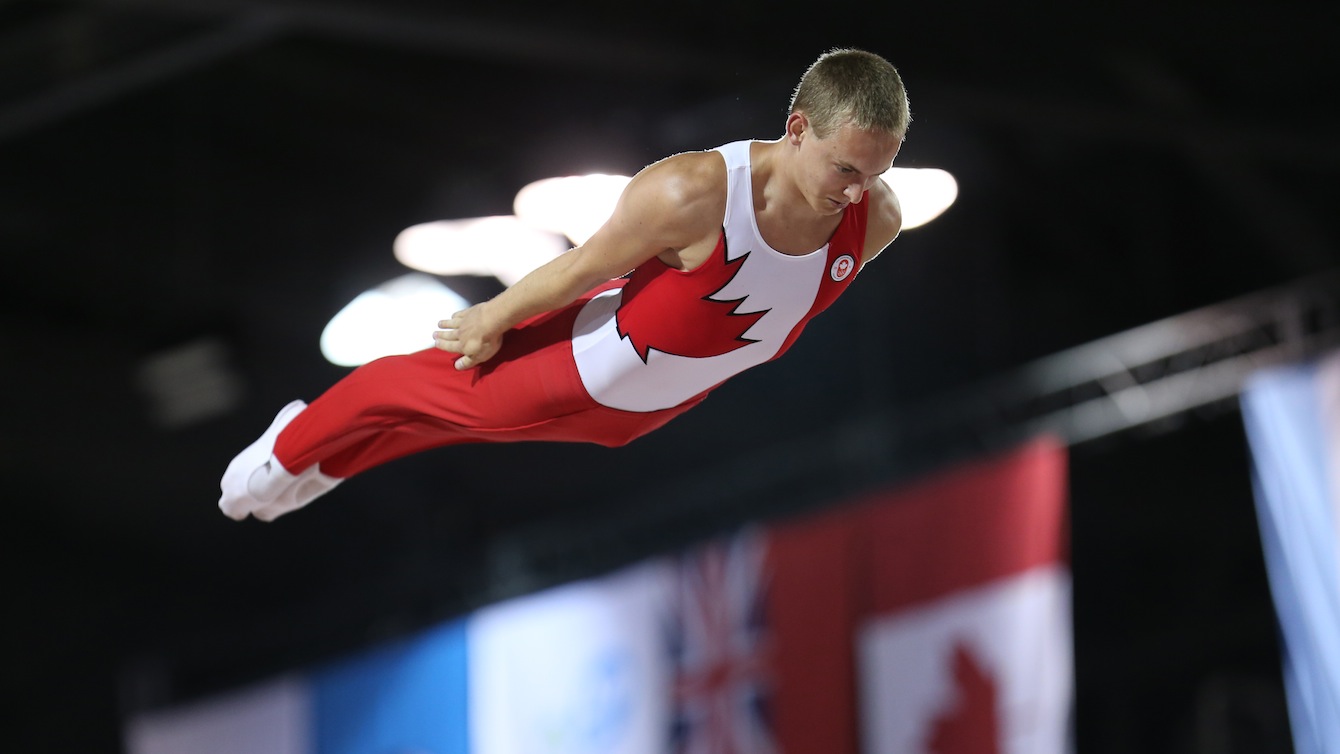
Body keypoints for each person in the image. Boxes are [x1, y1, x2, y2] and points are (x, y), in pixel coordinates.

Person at [219, 47, 910, 522]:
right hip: (583, 364)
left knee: (454, 427)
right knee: (412, 389)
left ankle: (330, 463)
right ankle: (290, 443)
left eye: (875, 172)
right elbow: (586, 266)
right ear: (796, 129)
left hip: (648, 409)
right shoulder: (693, 192)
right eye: (845, 169)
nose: (856, 193)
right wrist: (493, 315)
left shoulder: (876, 218)